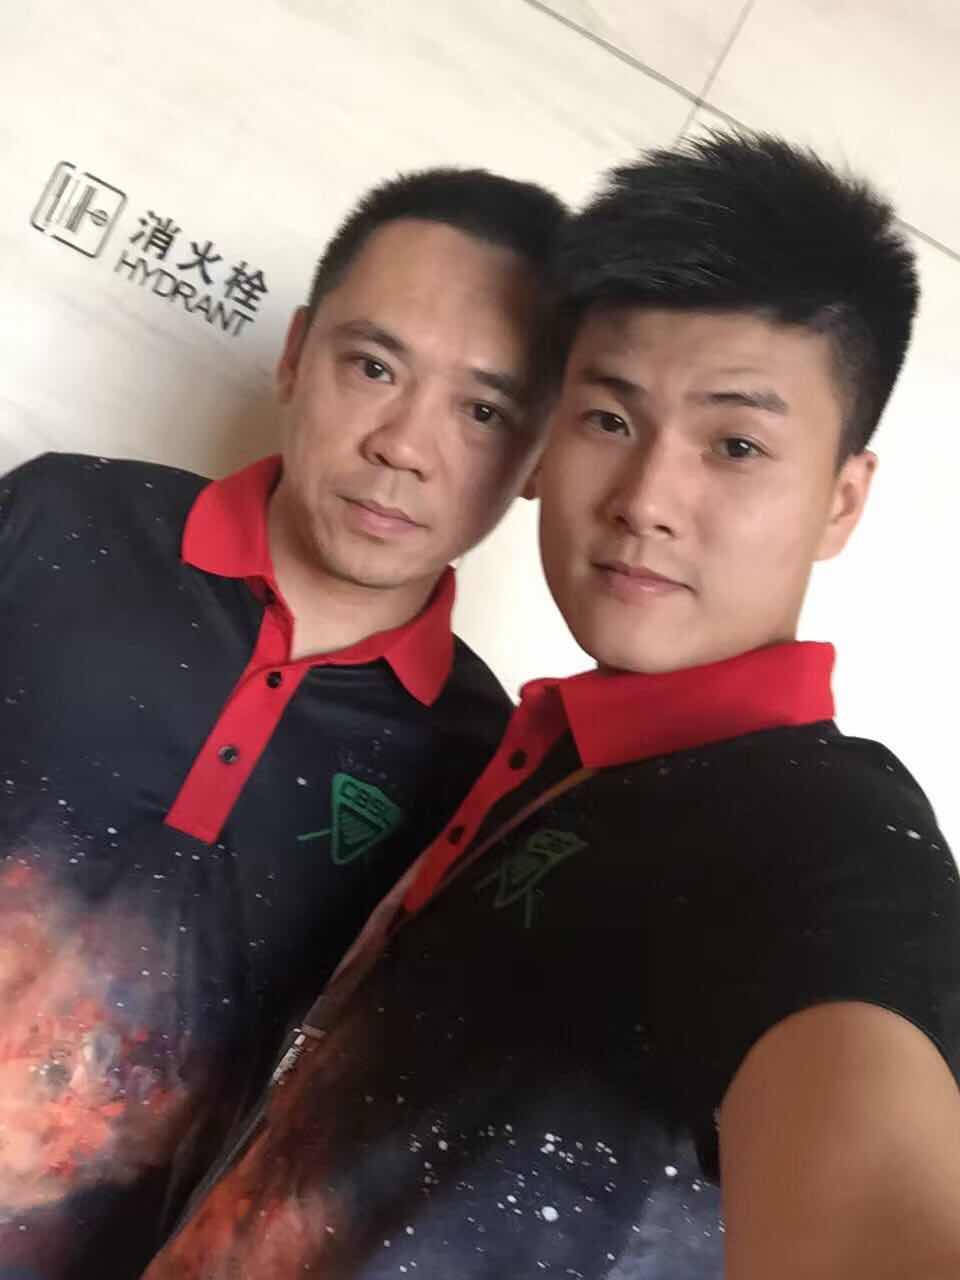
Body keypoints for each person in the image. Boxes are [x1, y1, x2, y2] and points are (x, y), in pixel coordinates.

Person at [142, 133, 960, 1280]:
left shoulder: (823, 835)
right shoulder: (533, 756)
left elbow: (879, 1179)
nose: (645, 500)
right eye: (610, 420)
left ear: (842, 500)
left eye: (735, 443)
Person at [0, 166, 566, 1278]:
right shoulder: (60, 520)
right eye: (374, 366)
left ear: (539, 458)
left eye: (483, 411)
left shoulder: (481, 773)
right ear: (297, 353)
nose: (405, 444)